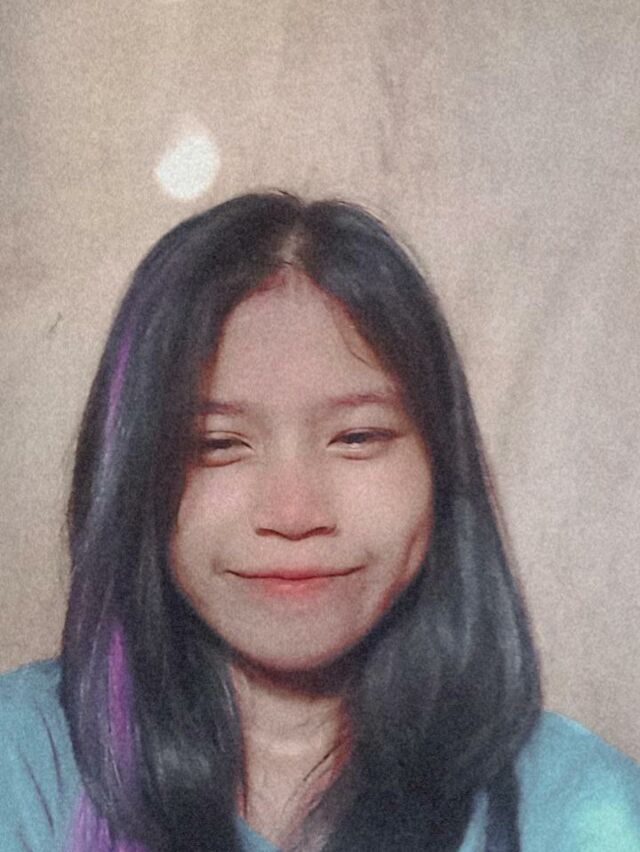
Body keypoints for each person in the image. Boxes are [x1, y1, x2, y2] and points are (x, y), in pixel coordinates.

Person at [1, 192, 639, 852]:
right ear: (129, 473)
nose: (294, 514)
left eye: (357, 437)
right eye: (217, 444)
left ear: (442, 465)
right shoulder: (24, 761)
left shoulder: (586, 812)